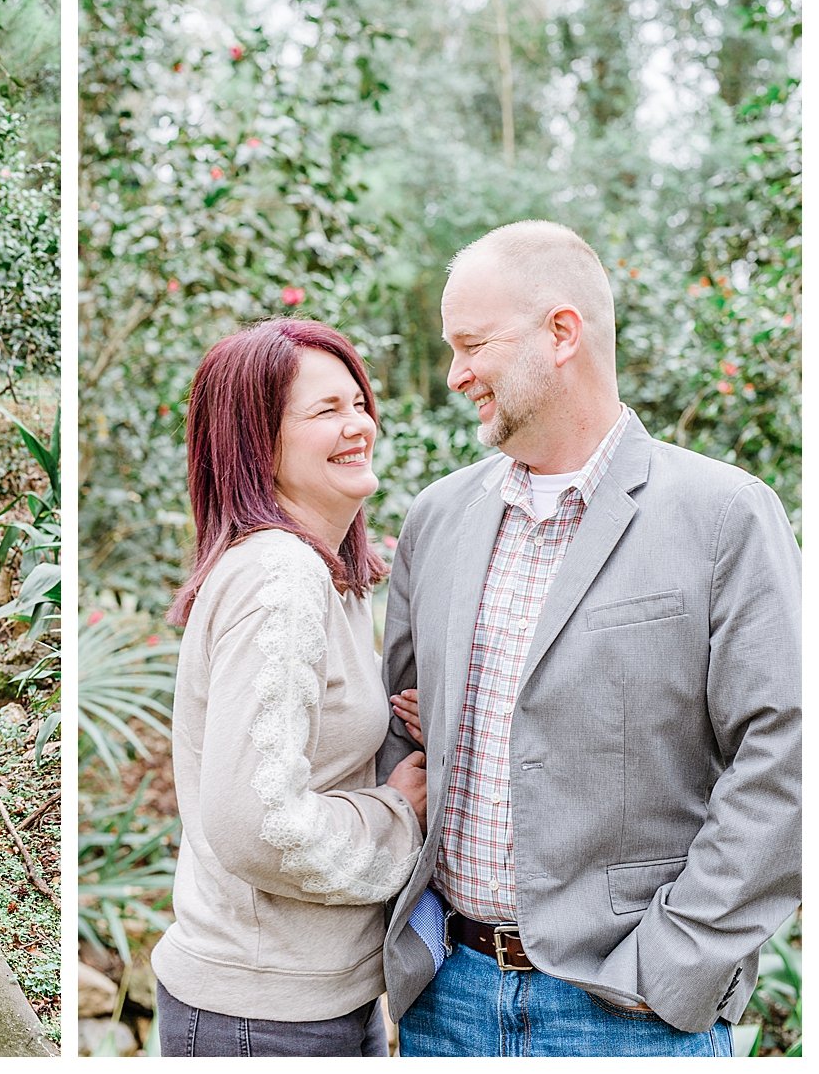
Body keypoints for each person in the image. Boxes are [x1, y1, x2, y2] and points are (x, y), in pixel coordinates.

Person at [379, 220, 801, 1057]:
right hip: (447, 1006)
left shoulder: (724, 514)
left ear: (561, 333)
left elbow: (786, 753)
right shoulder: (437, 517)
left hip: (626, 1014)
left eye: (472, 344)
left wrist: (673, 963)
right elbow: (403, 725)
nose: (456, 374)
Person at [151, 318, 428, 1058]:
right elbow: (257, 822)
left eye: (358, 402)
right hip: (260, 1015)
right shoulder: (280, 574)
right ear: (257, 444)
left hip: (314, 999)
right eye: (325, 411)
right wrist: (398, 814)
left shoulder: (330, 573)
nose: (358, 425)